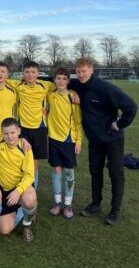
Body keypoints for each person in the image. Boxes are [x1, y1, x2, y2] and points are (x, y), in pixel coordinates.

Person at [68, 57, 138, 225]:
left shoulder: (104, 87)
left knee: (116, 173)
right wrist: (31, 78)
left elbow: (131, 106)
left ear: (91, 70)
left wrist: (119, 124)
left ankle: (115, 211)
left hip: (113, 139)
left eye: (84, 71)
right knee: (95, 171)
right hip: (95, 140)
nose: (81, 74)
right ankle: (95, 204)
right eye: (78, 71)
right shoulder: (77, 84)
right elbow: (55, 79)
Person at [0, 60, 54, 189]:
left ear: (38, 73)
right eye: (27, 72)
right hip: (22, 128)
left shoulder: (45, 85)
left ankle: (32, 188)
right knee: (8, 159)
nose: (30, 75)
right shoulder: (17, 85)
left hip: (39, 128)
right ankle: (1, 187)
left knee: (33, 161)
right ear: (22, 74)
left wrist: (75, 93)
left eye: (33, 72)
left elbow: (62, 84)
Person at [0, 118, 37, 243]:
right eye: (6, 133)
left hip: (21, 189)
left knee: (30, 199)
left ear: (19, 131)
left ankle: (27, 224)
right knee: (4, 230)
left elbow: (30, 175)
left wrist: (18, 191)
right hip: (5, 190)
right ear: (2, 133)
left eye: (13, 133)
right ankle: (21, 210)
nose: (10, 137)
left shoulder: (26, 149)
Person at [46, 66, 83, 219]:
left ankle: (68, 205)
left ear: (68, 81)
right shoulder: (50, 95)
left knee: (69, 172)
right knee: (56, 171)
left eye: (64, 78)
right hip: (53, 139)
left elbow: (77, 121)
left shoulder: (72, 96)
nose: (60, 81)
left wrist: (78, 141)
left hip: (69, 140)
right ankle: (57, 203)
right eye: (58, 78)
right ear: (54, 80)